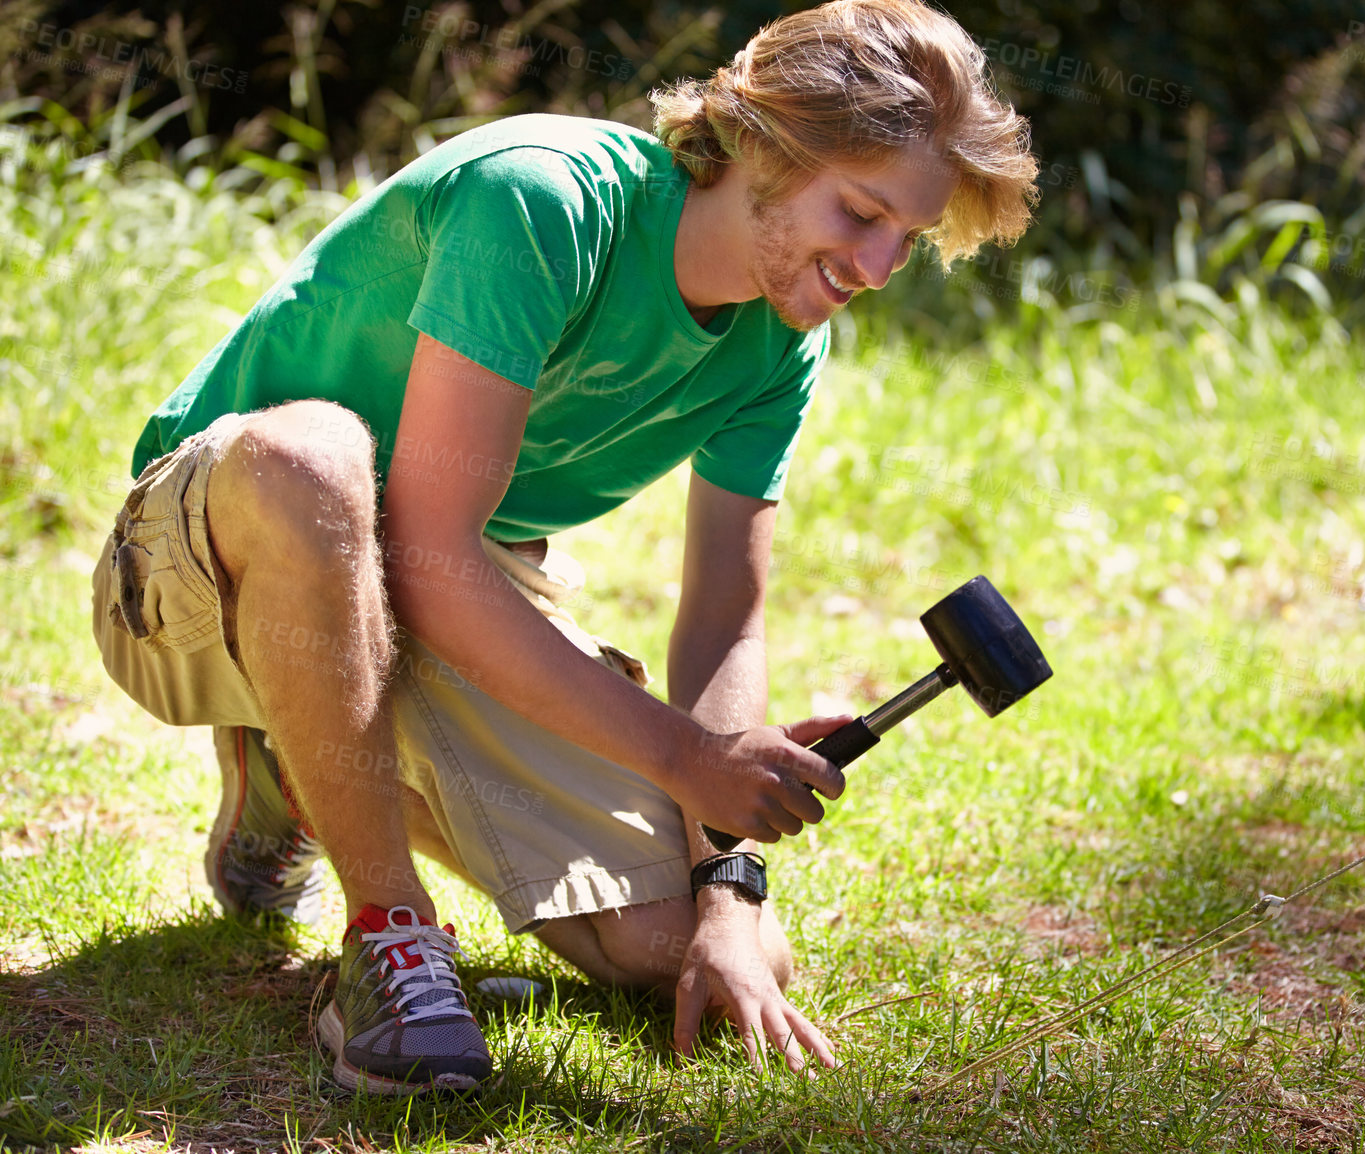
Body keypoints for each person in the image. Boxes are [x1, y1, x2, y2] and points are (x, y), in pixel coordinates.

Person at [90, 0, 1037, 1094]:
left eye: (905, 238)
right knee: (323, 459)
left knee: (673, 949)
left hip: (428, 585)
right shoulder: (541, 200)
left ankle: (293, 775)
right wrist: (685, 757)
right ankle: (387, 932)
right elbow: (434, 555)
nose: (875, 266)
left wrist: (729, 882)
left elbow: (725, 611)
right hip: (198, 568)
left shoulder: (780, 345)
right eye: (861, 211)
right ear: (761, 140)